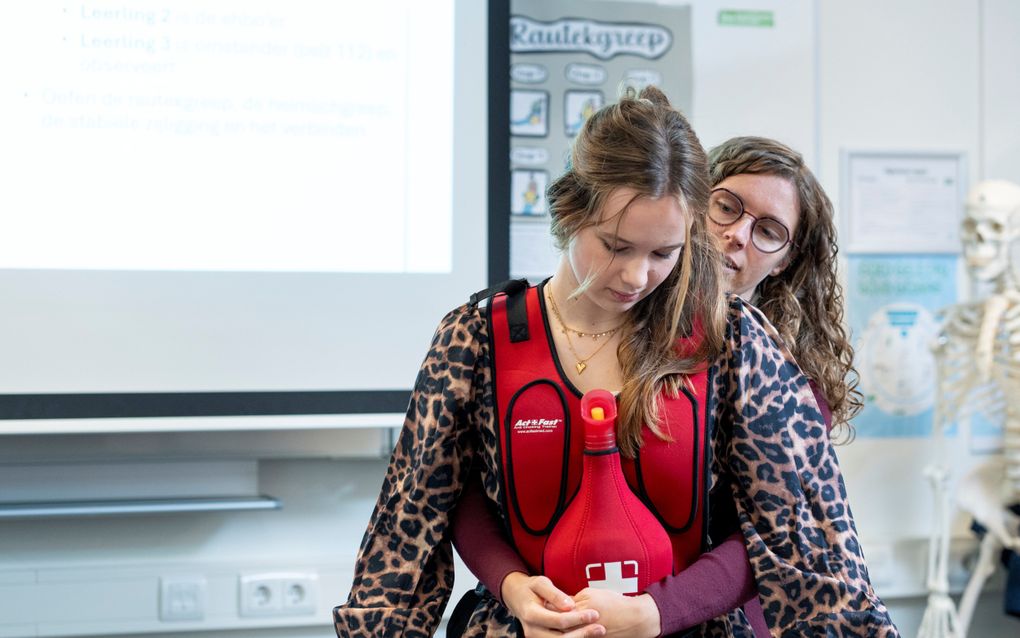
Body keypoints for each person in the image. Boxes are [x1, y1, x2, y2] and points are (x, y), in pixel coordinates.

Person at [333, 89, 897, 637]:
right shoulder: (477, 338)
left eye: (662, 254)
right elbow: (428, 510)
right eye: (615, 246)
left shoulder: (732, 341)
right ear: (568, 211)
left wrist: (660, 612)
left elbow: (794, 538)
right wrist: (512, 586)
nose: (635, 277)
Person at [449, 135, 875, 637]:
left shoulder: (775, 378)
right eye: (726, 207)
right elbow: (468, 483)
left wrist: (658, 612)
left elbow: (777, 534)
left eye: (768, 231)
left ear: (784, 259)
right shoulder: (565, 327)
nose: (737, 234)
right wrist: (514, 585)